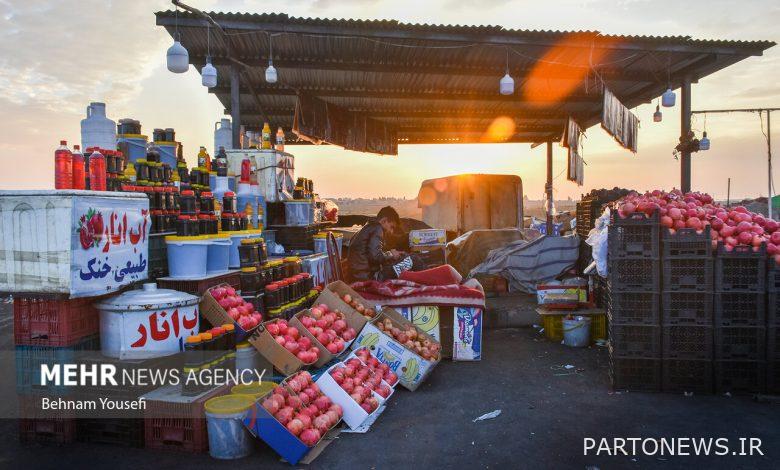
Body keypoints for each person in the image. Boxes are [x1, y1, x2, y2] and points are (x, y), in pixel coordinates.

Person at [347, 206, 409, 281]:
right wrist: (391, 254)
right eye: (391, 227)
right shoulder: (377, 228)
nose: (391, 231)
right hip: (368, 277)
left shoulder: (367, 227)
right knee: (411, 260)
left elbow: (372, 254)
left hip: (358, 275)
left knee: (401, 263)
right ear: (384, 221)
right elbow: (375, 257)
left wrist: (391, 254)